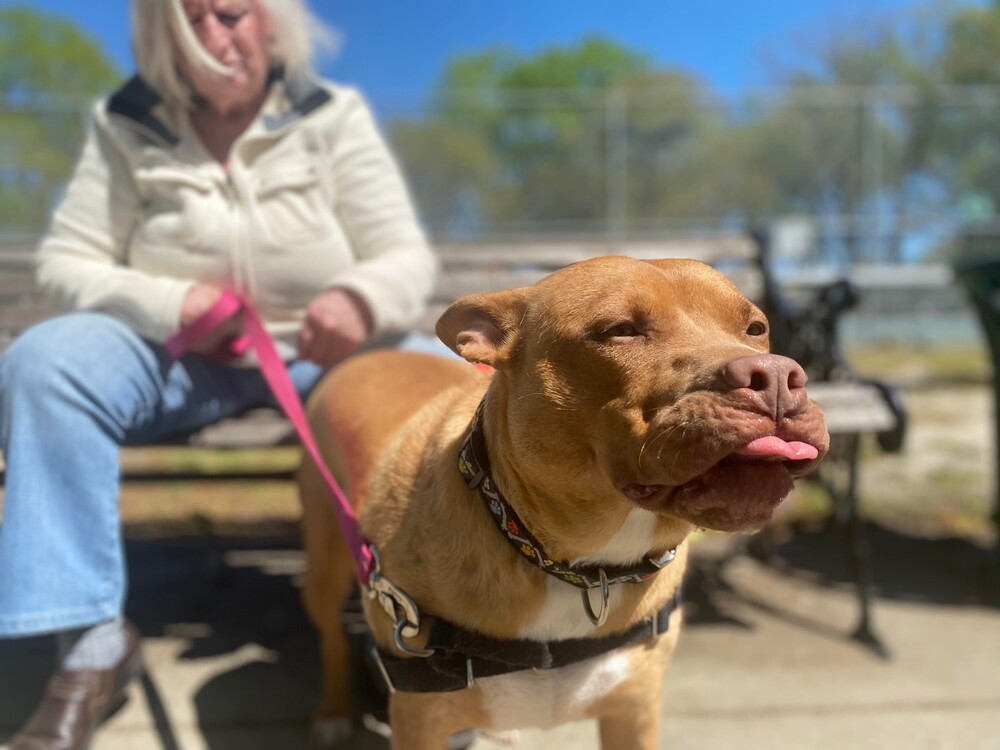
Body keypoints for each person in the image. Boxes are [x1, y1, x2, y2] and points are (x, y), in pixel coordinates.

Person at [0, 0, 436, 746]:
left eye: (229, 14)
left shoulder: (332, 114)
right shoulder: (126, 121)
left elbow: (403, 252)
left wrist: (359, 299)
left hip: (320, 355)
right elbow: (67, 262)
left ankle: (428, 622)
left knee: (440, 380)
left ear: (272, 22)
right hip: (175, 353)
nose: (212, 37)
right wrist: (174, 301)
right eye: (189, 19)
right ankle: (85, 648)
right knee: (44, 363)